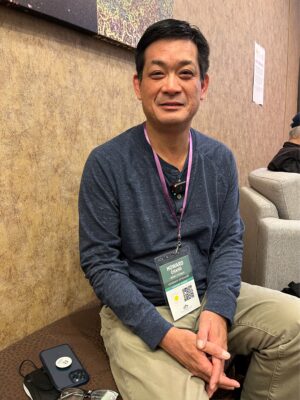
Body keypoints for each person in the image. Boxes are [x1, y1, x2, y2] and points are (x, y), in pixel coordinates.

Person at [79, 19, 300, 400]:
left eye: (185, 73)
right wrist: (164, 335)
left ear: (204, 85)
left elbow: (229, 241)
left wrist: (218, 308)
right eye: (157, 73)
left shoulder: (218, 159)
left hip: (204, 292)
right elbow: (100, 262)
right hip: (140, 308)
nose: (171, 86)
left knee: (295, 323)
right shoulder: (106, 163)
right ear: (138, 85)